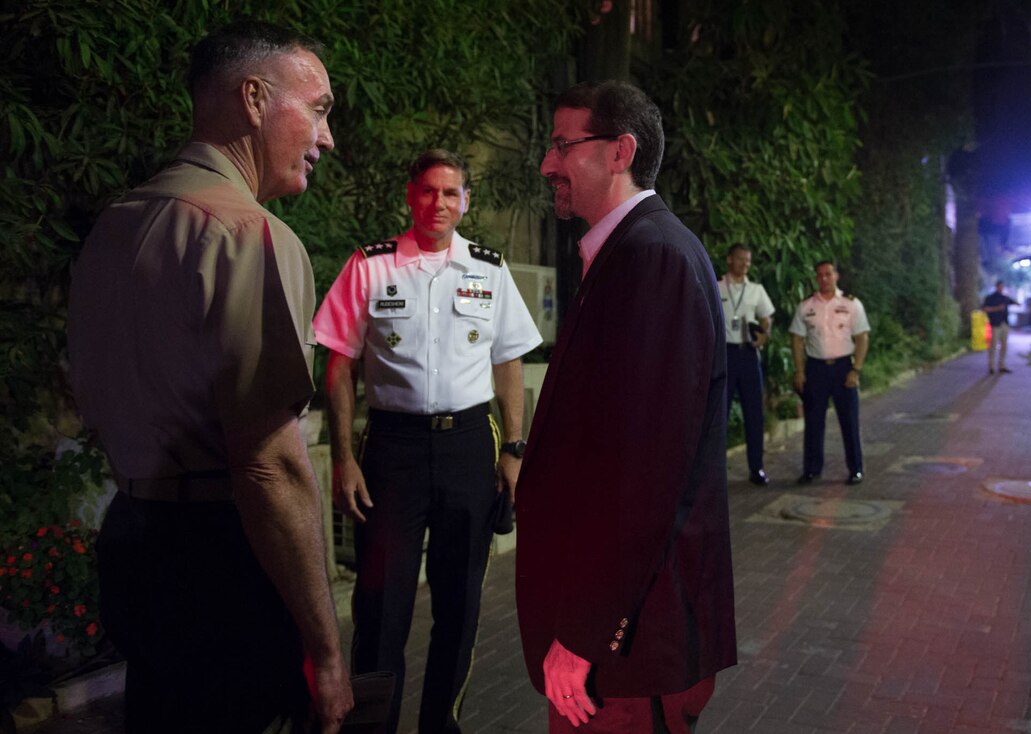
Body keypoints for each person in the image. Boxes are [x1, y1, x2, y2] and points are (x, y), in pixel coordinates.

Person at [67, 21, 353, 733]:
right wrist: (326, 648)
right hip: (221, 561)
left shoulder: (115, 224)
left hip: (134, 538)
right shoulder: (248, 234)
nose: (328, 138)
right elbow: (270, 470)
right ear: (253, 98)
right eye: (317, 109)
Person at [515, 80, 737, 733]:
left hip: (631, 651)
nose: (547, 164)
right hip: (630, 638)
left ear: (620, 152)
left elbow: (640, 474)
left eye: (562, 145)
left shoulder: (651, 259)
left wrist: (584, 635)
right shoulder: (629, 254)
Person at [313, 148, 542, 733]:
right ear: (409, 195)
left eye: (450, 193)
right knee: (380, 603)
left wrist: (513, 450)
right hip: (393, 450)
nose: (438, 203)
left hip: (470, 445)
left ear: (465, 201)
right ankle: (374, 727)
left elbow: (508, 361)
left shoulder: (489, 271)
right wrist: (343, 458)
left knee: (460, 603)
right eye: (427, 191)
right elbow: (337, 364)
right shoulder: (370, 266)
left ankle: (441, 723)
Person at [788, 261, 870, 486]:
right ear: (816, 278)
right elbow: (797, 338)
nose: (824, 278)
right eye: (820, 275)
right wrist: (799, 370)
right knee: (814, 422)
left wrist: (856, 369)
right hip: (815, 369)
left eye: (828, 274)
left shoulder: (851, 304)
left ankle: (856, 469)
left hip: (844, 368)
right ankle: (812, 470)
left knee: (849, 421)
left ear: (836, 276)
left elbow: (862, 337)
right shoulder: (806, 306)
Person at [719, 244, 775, 485]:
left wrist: (764, 334)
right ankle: (714, 471)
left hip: (748, 354)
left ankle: (757, 468)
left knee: (754, 413)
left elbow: (766, 318)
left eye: (748, 260)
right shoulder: (717, 285)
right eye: (741, 259)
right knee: (718, 413)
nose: (745, 264)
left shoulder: (756, 290)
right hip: (724, 354)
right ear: (730, 259)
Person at [981, 280, 1019, 373]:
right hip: (995, 324)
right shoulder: (990, 298)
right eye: (1000, 286)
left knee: (1004, 345)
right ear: (997, 287)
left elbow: (1013, 302)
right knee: (993, 345)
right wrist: (997, 308)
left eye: (1002, 286)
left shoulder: (1004, 297)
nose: (1001, 288)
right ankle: (991, 366)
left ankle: (1002, 365)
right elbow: (984, 309)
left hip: (1004, 324)